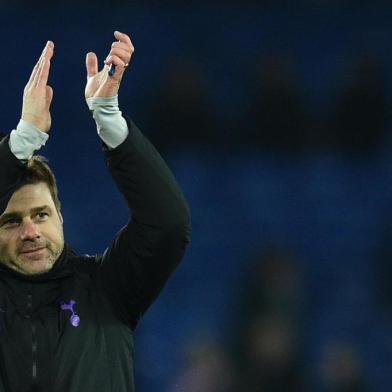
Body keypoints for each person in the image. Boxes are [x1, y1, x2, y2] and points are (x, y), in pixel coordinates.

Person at [0, 31, 191, 391]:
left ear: (60, 216)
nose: (30, 232)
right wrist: (23, 138)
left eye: (41, 214)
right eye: (11, 221)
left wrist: (108, 117)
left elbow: (167, 224)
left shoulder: (107, 289)